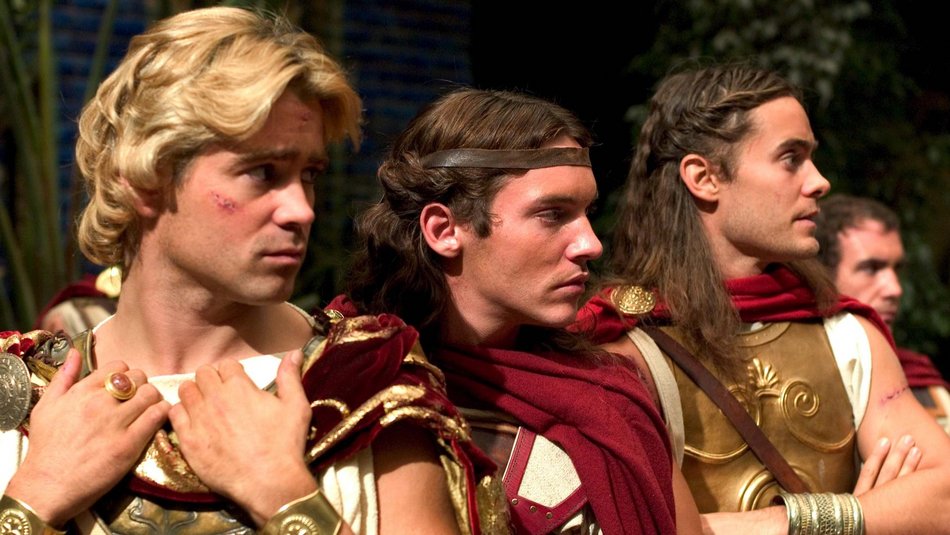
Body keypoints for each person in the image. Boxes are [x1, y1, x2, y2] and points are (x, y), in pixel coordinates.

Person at [0, 7, 495, 534]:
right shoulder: (23, 397)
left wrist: (285, 497)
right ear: (145, 179)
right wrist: (33, 500)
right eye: (262, 172)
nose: (301, 210)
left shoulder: (362, 386)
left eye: (309, 175)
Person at [577, 63, 950, 534]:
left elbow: (944, 500)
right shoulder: (627, 345)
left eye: (811, 158)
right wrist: (872, 515)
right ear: (704, 177)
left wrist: (778, 523)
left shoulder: (848, 335)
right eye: (791, 158)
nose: (819, 181)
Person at [329, 87, 700, 534]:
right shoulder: (350, 381)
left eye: (587, 212)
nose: (590, 244)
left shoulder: (611, 398)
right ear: (444, 230)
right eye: (552, 214)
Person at [815, 194, 950, 432]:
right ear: (822, 277)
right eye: (871, 268)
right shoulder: (792, 374)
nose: (895, 289)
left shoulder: (926, 387)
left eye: (896, 268)